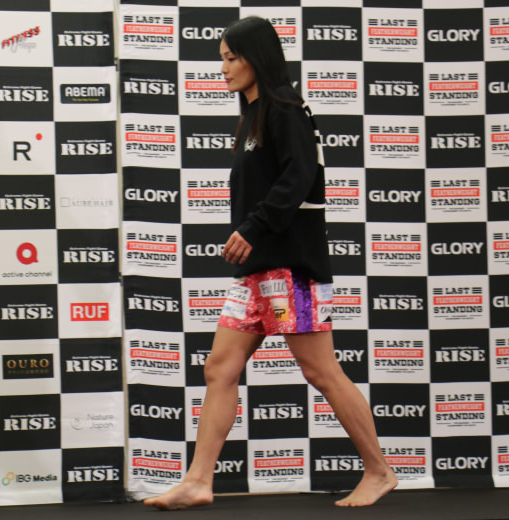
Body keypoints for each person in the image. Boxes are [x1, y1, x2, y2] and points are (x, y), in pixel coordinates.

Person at [144, 16, 397, 511]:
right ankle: (197, 481)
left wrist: (253, 228)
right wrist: (252, 237)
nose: (223, 68)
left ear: (256, 58)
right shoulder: (254, 114)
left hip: (289, 269)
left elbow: (299, 176)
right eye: (222, 59)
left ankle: (379, 471)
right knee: (220, 368)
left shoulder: (285, 108)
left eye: (231, 58)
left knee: (321, 370)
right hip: (258, 273)